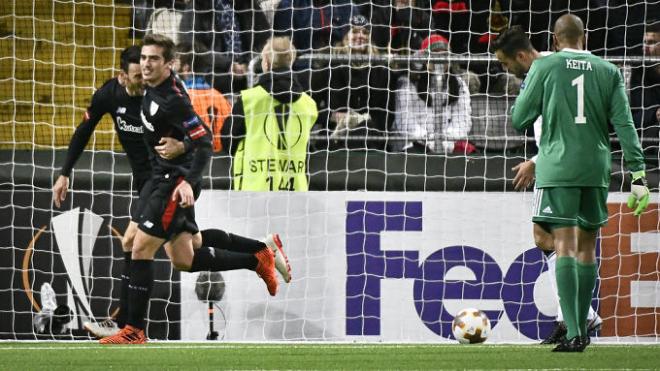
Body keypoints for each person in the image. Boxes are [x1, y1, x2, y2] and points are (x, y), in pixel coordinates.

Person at [99, 34, 290, 344]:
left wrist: (186, 175)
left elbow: (203, 140)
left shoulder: (171, 99)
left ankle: (133, 330)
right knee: (186, 258)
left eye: (153, 59)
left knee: (139, 246)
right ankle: (257, 255)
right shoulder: (156, 88)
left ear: (168, 64)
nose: (146, 64)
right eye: (144, 58)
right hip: (163, 179)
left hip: (174, 183)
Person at [506, 15, 650, 352]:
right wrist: (639, 175)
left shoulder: (545, 67)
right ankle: (581, 328)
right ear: (584, 39)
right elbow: (625, 125)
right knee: (586, 249)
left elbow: (519, 119)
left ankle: (574, 331)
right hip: (596, 169)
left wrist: (537, 91)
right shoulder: (609, 71)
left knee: (563, 247)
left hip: (558, 168)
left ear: (555, 41)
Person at [51, 45, 186, 338]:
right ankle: (258, 253)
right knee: (187, 255)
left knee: (131, 242)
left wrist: (183, 151)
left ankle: (128, 326)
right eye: (137, 76)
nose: (143, 81)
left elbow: (193, 133)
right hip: (145, 181)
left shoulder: (162, 96)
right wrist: (64, 173)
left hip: (165, 178)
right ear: (122, 76)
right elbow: (83, 131)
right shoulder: (109, 95)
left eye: (146, 74)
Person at [492, 26, 603, 346]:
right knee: (550, 239)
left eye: (505, 62)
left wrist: (537, 163)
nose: (505, 70)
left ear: (522, 56)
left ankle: (577, 318)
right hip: (564, 162)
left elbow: (569, 126)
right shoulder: (556, 65)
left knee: (554, 239)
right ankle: (577, 316)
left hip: (561, 165)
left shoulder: (548, 73)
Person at [223, 36, 318, 191]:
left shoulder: (250, 100)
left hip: (254, 190)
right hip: (294, 191)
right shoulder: (309, 105)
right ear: (291, 62)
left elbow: (228, 140)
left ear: (265, 61)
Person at [310, 15, 394, 150]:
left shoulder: (381, 70)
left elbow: (388, 112)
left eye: (365, 32)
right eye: (354, 31)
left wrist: (366, 121)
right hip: (336, 138)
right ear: (345, 37)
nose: (360, 36)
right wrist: (332, 116)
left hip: (370, 138)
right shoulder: (329, 66)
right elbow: (310, 106)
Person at [392, 34, 475, 154]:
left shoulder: (459, 84)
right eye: (434, 56)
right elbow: (405, 121)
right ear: (424, 59)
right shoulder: (407, 83)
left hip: (449, 142)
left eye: (444, 56)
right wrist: (430, 141)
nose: (439, 61)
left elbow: (463, 120)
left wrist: (445, 141)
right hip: (414, 143)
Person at [174, 42, 232, 152]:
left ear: (186, 68)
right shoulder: (221, 98)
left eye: (174, 63)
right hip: (221, 161)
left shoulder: (179, 99)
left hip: (193, 162)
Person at [630, 22, 660, 159]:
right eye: (645, 42)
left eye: (652, 42)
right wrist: (655, 114)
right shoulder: (636, 75)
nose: (646, 47)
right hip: (644, 136)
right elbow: (631, 119)